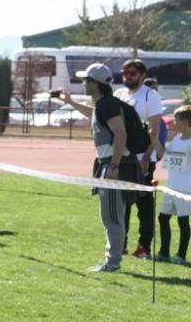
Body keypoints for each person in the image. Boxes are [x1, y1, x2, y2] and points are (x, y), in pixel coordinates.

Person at [62, 63, 140, 272]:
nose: (84, 84)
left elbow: (120, 134)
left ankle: (112, 262)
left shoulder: (108, 105)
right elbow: (94, 114)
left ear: (94, 83)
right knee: (110, 216)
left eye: (86, 80)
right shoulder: (104, 105)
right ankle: (111, 260)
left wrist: (114, 166)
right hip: (110, 164)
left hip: (114, 166)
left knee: (113, 217)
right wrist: (70, 102)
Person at [117, 59, 164, 259]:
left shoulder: (150, 96)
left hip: (143, 157)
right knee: (122, 202)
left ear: (142, 75)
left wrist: (147, 156)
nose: (128, 76)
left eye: (132, 73)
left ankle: (144, 246)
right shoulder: (119, 94)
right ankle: (121, 243)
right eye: (125, 72)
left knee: (143, 204)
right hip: (123, 156)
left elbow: (154, 129)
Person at [157, 105, 191, 264]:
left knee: (183, 221)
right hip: (171, 186)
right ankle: (164, 252)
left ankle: (181, 255)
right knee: (163, 218)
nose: (173, 122)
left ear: (185, 122)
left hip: (186, 188)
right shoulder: (177, 138)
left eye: (176, 120)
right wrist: (154, 140)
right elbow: (165, 155)